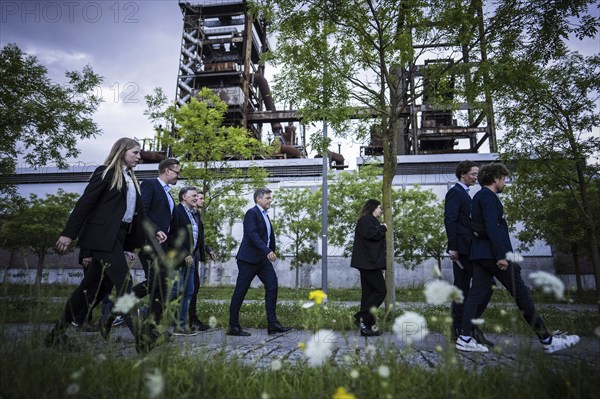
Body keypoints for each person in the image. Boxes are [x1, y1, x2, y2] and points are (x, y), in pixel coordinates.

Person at [46, 137, 161, 353]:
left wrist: (152, 232)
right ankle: (141, 338)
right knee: (125, 285)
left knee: (90, 289)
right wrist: (68, 234)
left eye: (139, 153)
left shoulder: (132, 179)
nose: (139, 157)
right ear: (122, 151)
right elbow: (84, 204)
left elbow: (137, 215)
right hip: (101, 238)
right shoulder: (106, 172)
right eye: (135, 152)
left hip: (117, 238)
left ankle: (55, 335)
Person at [456, 163, 580, 353]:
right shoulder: (488, 197)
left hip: (480, 254)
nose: (505, 182)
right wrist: (502, 256)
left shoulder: (479, 196)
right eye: (503, 179)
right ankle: (547, 340)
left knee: (475, 295)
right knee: (521, 293)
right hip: (493, 255)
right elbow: (492, 227)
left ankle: (464, 338)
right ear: (495, 178)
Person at [227, 188, 291, 336]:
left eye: (270, 198)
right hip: (248, 260)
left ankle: (273, 324)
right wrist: (267, 251)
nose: (270, 200)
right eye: (267, 198)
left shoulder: (265, 215)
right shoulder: (252, 213)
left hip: (262, 260)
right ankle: (233, 326)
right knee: (240, 291)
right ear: (258, 199)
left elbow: (268, 236)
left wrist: (271, 251)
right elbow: (252, 235)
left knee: (272, 286)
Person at [444, 160, 494, 346]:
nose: (475, 177)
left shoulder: (465, 193)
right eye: (473, 174)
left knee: (462, 289)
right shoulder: (455, 192)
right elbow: (450, 220)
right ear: (463, 174)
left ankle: (461, 329)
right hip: (463, 249)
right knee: (486, 284)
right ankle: (467, 327)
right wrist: (453, 247)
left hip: (469, 247)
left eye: (476, 174)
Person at [132, 158, 180, 325]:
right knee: (156, 282)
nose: (178, 176)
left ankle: (152, 324)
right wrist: (155, 230)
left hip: (162, 245)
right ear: (167, 171)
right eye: (176, 172)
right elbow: (141, 211)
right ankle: (122, 305)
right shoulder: (150, 184)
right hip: (150, 242)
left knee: (161, 284)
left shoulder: (168, 194)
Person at [167, 186, 202, 335]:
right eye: (193, 196)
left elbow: (196, 237)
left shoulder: (194, 214)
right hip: (178, 258)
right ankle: (148, 310)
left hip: (190, 259)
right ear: (184, 197)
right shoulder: (177, 211)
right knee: (176, 290)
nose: (196, 198)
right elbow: (172, 236)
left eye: (196, 196)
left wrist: (203, 251)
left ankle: (180, 326)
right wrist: (184, 253)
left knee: (188, 292)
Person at [350, 199, 387, 337]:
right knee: (381, 290)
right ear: (372, 208)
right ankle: (362, 318)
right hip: (368, 263)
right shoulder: (366, 219)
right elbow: (371, 235)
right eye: (379, 207)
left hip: (369, 263)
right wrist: (383, 228)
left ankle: (368, 327)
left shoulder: (368, 220)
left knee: (368, 294)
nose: (380, 210)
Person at [188, 190, 216, 331]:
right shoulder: (187, 214)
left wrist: (208, 249)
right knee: (185, 289)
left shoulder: (196, 215)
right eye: (200, 198)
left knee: (193, 288)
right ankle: (190, 320)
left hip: (194, 257)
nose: (202, 201)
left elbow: (198, 238)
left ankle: (192, 319)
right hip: (186, 257)